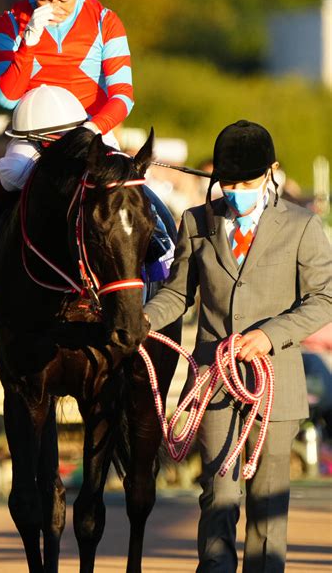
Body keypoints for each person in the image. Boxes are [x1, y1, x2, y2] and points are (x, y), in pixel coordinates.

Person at [144, 120, 332, 573]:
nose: (236, 190)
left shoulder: (303, 225)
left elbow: (324, 297)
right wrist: (143, 319)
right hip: (214, 382)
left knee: (268, 508)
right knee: (219, 498)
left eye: (246, 181)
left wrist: (270, 335)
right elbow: (177, 294)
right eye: (227, 182)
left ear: (272, 171)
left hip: (277, 386)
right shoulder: (196, 221)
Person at [0, 0, 172, 280]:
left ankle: (159, 247)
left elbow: (123, 95)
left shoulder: (106, 21)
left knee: (126, 185)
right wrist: (28, 43)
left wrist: (92, 130)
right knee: (11, 173)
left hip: (90, 133)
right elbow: (6, 95)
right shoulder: (10, 22)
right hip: (33, 137)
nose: (54, 7)